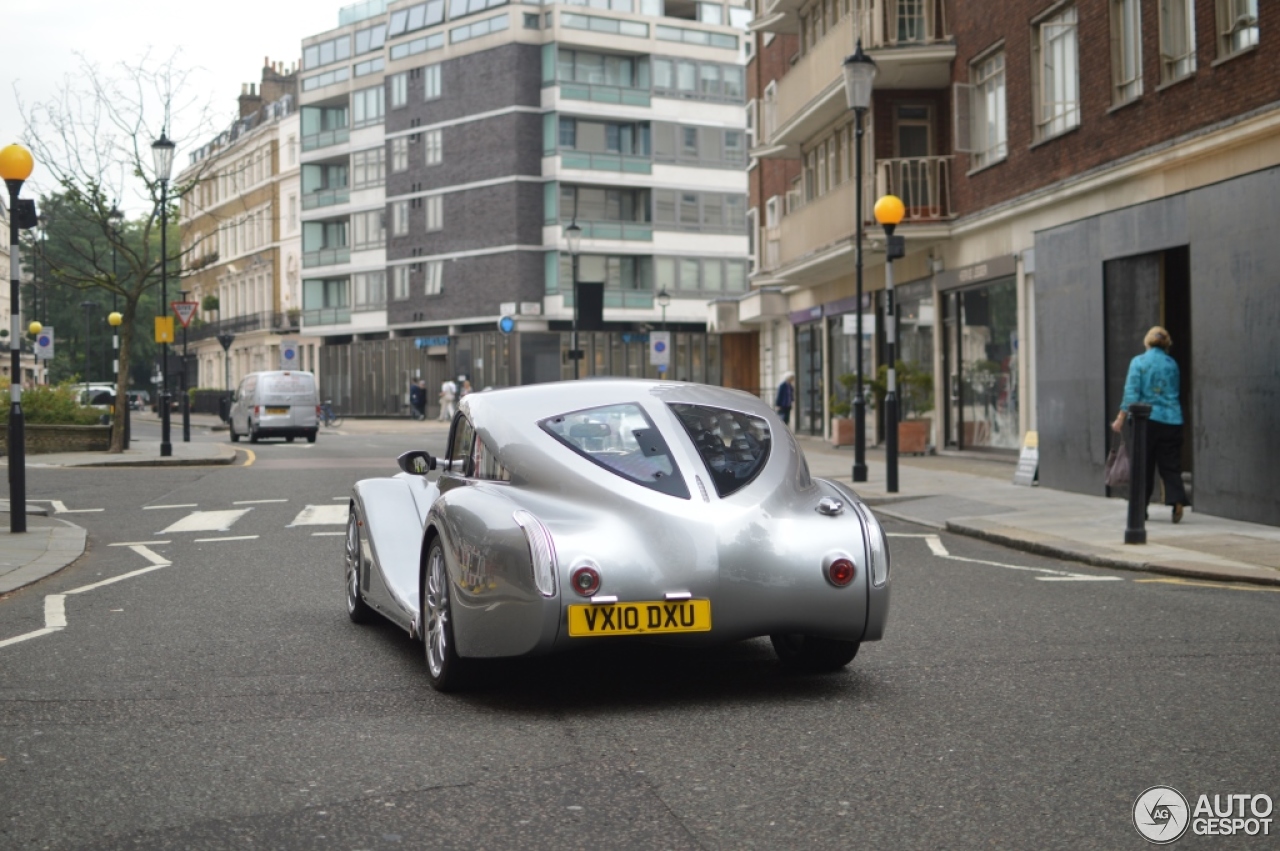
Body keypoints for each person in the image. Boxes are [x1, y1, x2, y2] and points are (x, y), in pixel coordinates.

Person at [1112, 325, 1190, 523]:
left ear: (1147, 342)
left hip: (1145, 422)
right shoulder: (1172, 364)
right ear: (1166, 344)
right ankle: (1177, 500)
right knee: (1170, 465)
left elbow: (1131, 394)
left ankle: (1141, 508)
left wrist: (1121, 418)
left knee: (1142, 466)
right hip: (1172, 420)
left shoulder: (1138, 362)